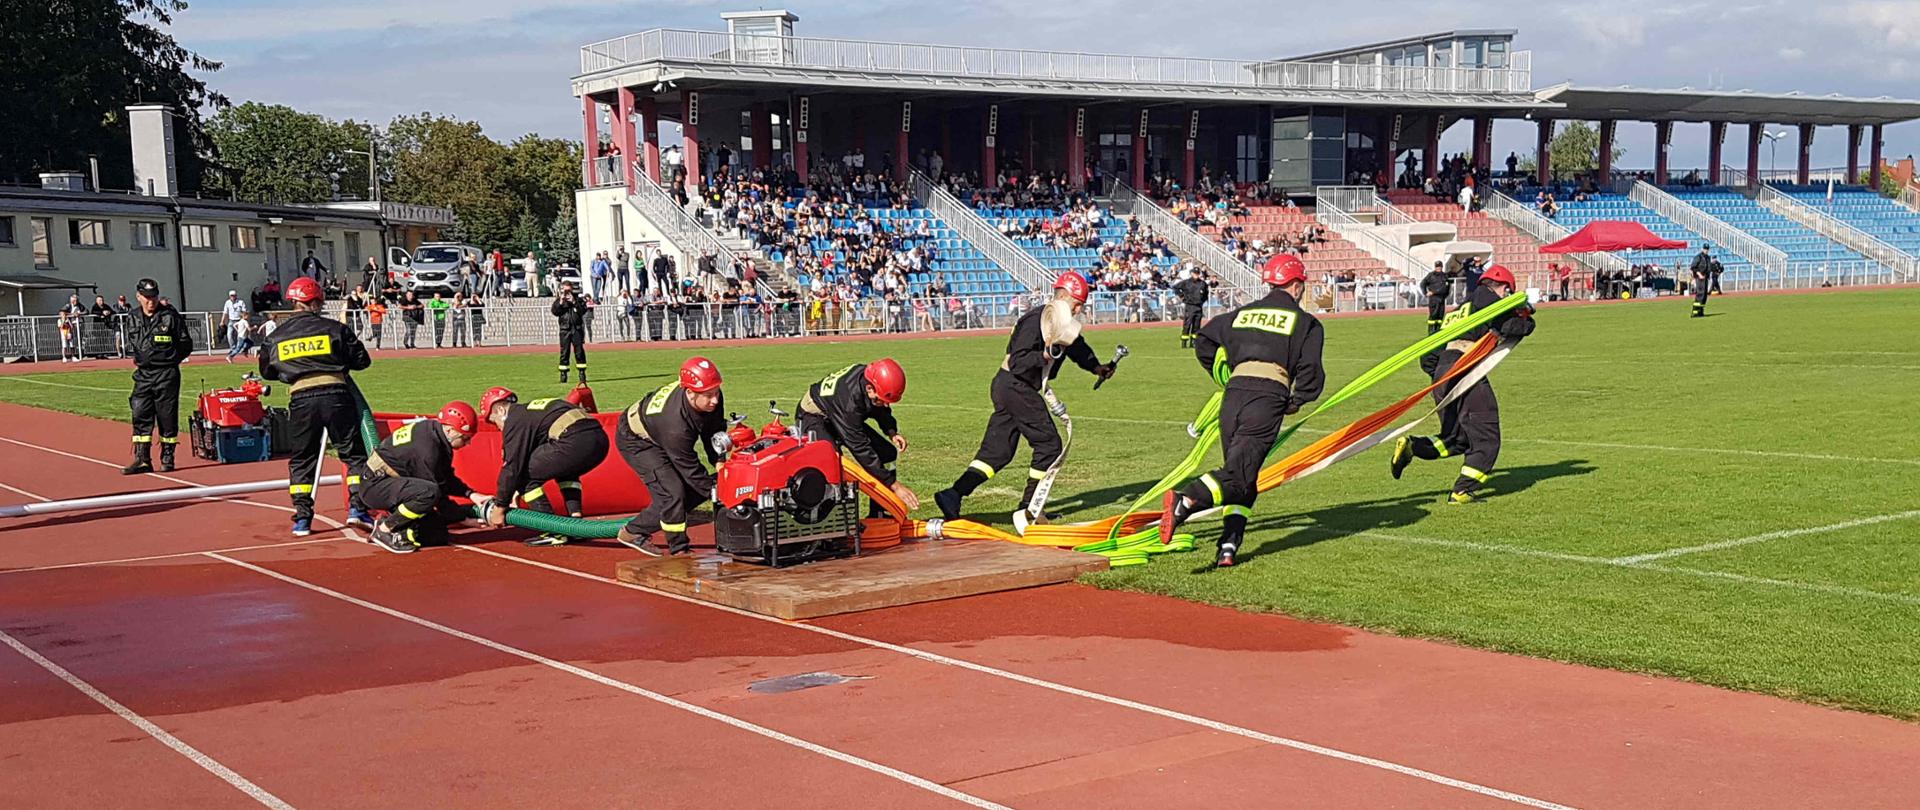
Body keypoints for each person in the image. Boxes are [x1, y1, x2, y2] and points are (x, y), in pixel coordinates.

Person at [1158, 254, 1325, 568]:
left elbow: (1204, 340)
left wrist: (1221, 374)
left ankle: (1228, 545)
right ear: (1297, 284)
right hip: (1268, 395)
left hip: (1233, 396)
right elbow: (1311, 369)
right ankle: (1187, 499)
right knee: (1237, 474)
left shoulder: (1240, 314)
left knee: (1244, 477)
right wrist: (1299, 398)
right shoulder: (1306, 322)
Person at [933, 272, 1118, 523]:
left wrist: (1096, 367)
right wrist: (1044, 356)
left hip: (1013, 387)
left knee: (996, 453)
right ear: (1063, 297)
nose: (1078, 310)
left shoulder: (1061, 323)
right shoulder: (1037, 320)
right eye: (1077, 304)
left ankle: (952, 494)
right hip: (1015, 385)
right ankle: (1029, 509)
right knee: (1049, 445)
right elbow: (1018, 361)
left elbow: (1076, 346)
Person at [1388, 264, 1537, 504]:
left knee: (1456, 439)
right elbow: (1509, 327)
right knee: (1487, 437)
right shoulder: (1487, 297)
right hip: (1465, 367)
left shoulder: (1460, 309)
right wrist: (1527, 321)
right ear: (1503, 288)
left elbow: (1429, 354)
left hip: (1442, 371)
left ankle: (1413, 446)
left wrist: (1439, 378)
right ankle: (1462, 491)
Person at [257, 277, 374, 536]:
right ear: (317, 301)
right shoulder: (335, 328)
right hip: (337, 396)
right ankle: (357, 509)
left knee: (302, 459)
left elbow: (267, 371)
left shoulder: (275, 337)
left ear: (294, 302)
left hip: (300, 400)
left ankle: (302, 518)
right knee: (353, 455)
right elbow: (362, 361)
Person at [613, 358, 727, 556]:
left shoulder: (711, 395)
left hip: (657, 429)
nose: (715, 400)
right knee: (672, 493)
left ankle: (658, 523)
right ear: (690, 393)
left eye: (716, 392)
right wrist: (722, 495)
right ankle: (675, 548)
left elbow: (713, 431)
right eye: (708, 396)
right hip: (636, 439)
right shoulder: (676, 427)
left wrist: (719, 462)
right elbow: (690, 470)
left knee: (697, 489)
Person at [478, 385, 611, 546]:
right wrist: (514, 493)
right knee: (566, 470)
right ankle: (576, 521)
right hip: (599, 439)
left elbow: (512, 468)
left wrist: (500, 507)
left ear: (500, 410)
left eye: (494, 421)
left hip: (575, 439)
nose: (498, 428)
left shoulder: (514, 420)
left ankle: (552, 530)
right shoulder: (531, 413)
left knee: (524, 477)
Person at [358, 402, 488, 554]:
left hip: (391, 482)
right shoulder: (428, 450)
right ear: (450, 430)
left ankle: (403, 527)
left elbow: (445, 477)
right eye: (465, 438)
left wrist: (471, 494)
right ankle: (385, 529)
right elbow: (437, 493)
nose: (468, 443)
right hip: (376, 485)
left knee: (437, 534)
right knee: (429, 493)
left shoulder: (434, 434)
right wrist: (463, 519)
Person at [797, 359, 916, 516]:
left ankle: (880, 511)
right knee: (831, 464)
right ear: (869, 389)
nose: (886, 405)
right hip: (814, 415)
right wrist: (895, 486)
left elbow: (880, 408)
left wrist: (891, 431)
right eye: (882, 400)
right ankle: (830, 518)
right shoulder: (850, 403)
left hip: (838, 412)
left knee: (887, 453)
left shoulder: (870, 381)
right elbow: (861, 449)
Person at [121, 278, 194, 474]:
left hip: (166, 374)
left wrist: (171, 359)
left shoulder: (170, 316)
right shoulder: (133, 316)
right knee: (139, 413)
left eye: (153, 297)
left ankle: (168, 457)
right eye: (146, 297)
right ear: (138, 297)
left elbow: (186, 344)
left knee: (167, 416)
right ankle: (142, 458)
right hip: (144, 374)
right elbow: (133, 343)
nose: (150, 301)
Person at [553, 282, 589, 382]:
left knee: (579, 351)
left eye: (569, 290)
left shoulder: (579, 300)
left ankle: (582, 373)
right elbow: (555, 312)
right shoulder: (559, 301)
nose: (567, 292)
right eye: (565, 290)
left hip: (576, 329)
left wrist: (574, 302)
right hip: (565, 329)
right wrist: (561, 301)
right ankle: (563, 375)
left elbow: (583, 311)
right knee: (564, 352)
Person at [1173, 266, 1209, 348]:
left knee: (1197, 325)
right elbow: (1176, 288)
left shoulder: (1202, 284)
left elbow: (1206, 294)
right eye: (1195, 273)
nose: (1196, 275)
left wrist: (1202, 301)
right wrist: (1182, 296)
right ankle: (1184, 342)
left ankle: (1194, 342)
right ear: (1191, 273)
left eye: (1197, 274)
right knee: (1187, 324)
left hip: (1198, 306)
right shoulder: (1186, 282)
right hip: (1190, 306)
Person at [1420, 260, 1451, 334]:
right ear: (1435, 267)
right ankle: (1431, 331)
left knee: (1440, 316)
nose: (1438, 268)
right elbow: (1422, 284)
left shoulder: (1445, 275)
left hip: (1441, 298)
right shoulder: (1431, 275)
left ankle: (1438, 331)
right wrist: (1426, 293)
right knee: (1433, 316)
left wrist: (1446, 295)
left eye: (1440, 267)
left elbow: (1447, 286)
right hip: (1434, 298)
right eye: (1437, 267)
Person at [1690, 246, 1714, 318]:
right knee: (1700, 295)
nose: (1706, 250)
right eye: (1705, 249)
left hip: (1705, 277)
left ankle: (1700, 311)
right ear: (1702, 249)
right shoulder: (1698, 257)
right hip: (1700, 277)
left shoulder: (1708, 257)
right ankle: (1695, 312)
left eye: (1707, 249)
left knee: (1704, 296)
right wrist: (1699, 274)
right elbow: (1693, 267)